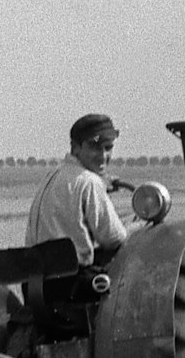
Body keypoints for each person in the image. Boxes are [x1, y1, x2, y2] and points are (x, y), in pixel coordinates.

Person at [26, 113, 128, 268]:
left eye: (108, 148)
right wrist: (137, 228)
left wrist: (102, 185)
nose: (102, 156)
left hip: (35, 279)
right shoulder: (89, 182)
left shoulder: (52, 176)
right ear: (75, 148)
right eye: (94, 147)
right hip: (75, 281)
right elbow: (113, 238)